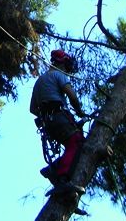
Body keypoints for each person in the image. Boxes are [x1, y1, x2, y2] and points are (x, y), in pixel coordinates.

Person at [30, 49, 87, 191]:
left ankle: (53, 169)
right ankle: (62, 178)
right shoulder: (59, 75)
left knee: (71, 145)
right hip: (59, 114)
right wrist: (79, 111)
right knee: (77, 141)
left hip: (48, 122)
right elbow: (72, 96)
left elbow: (32, 109)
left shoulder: (39, 81)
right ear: (62, 63)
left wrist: (46, 113)